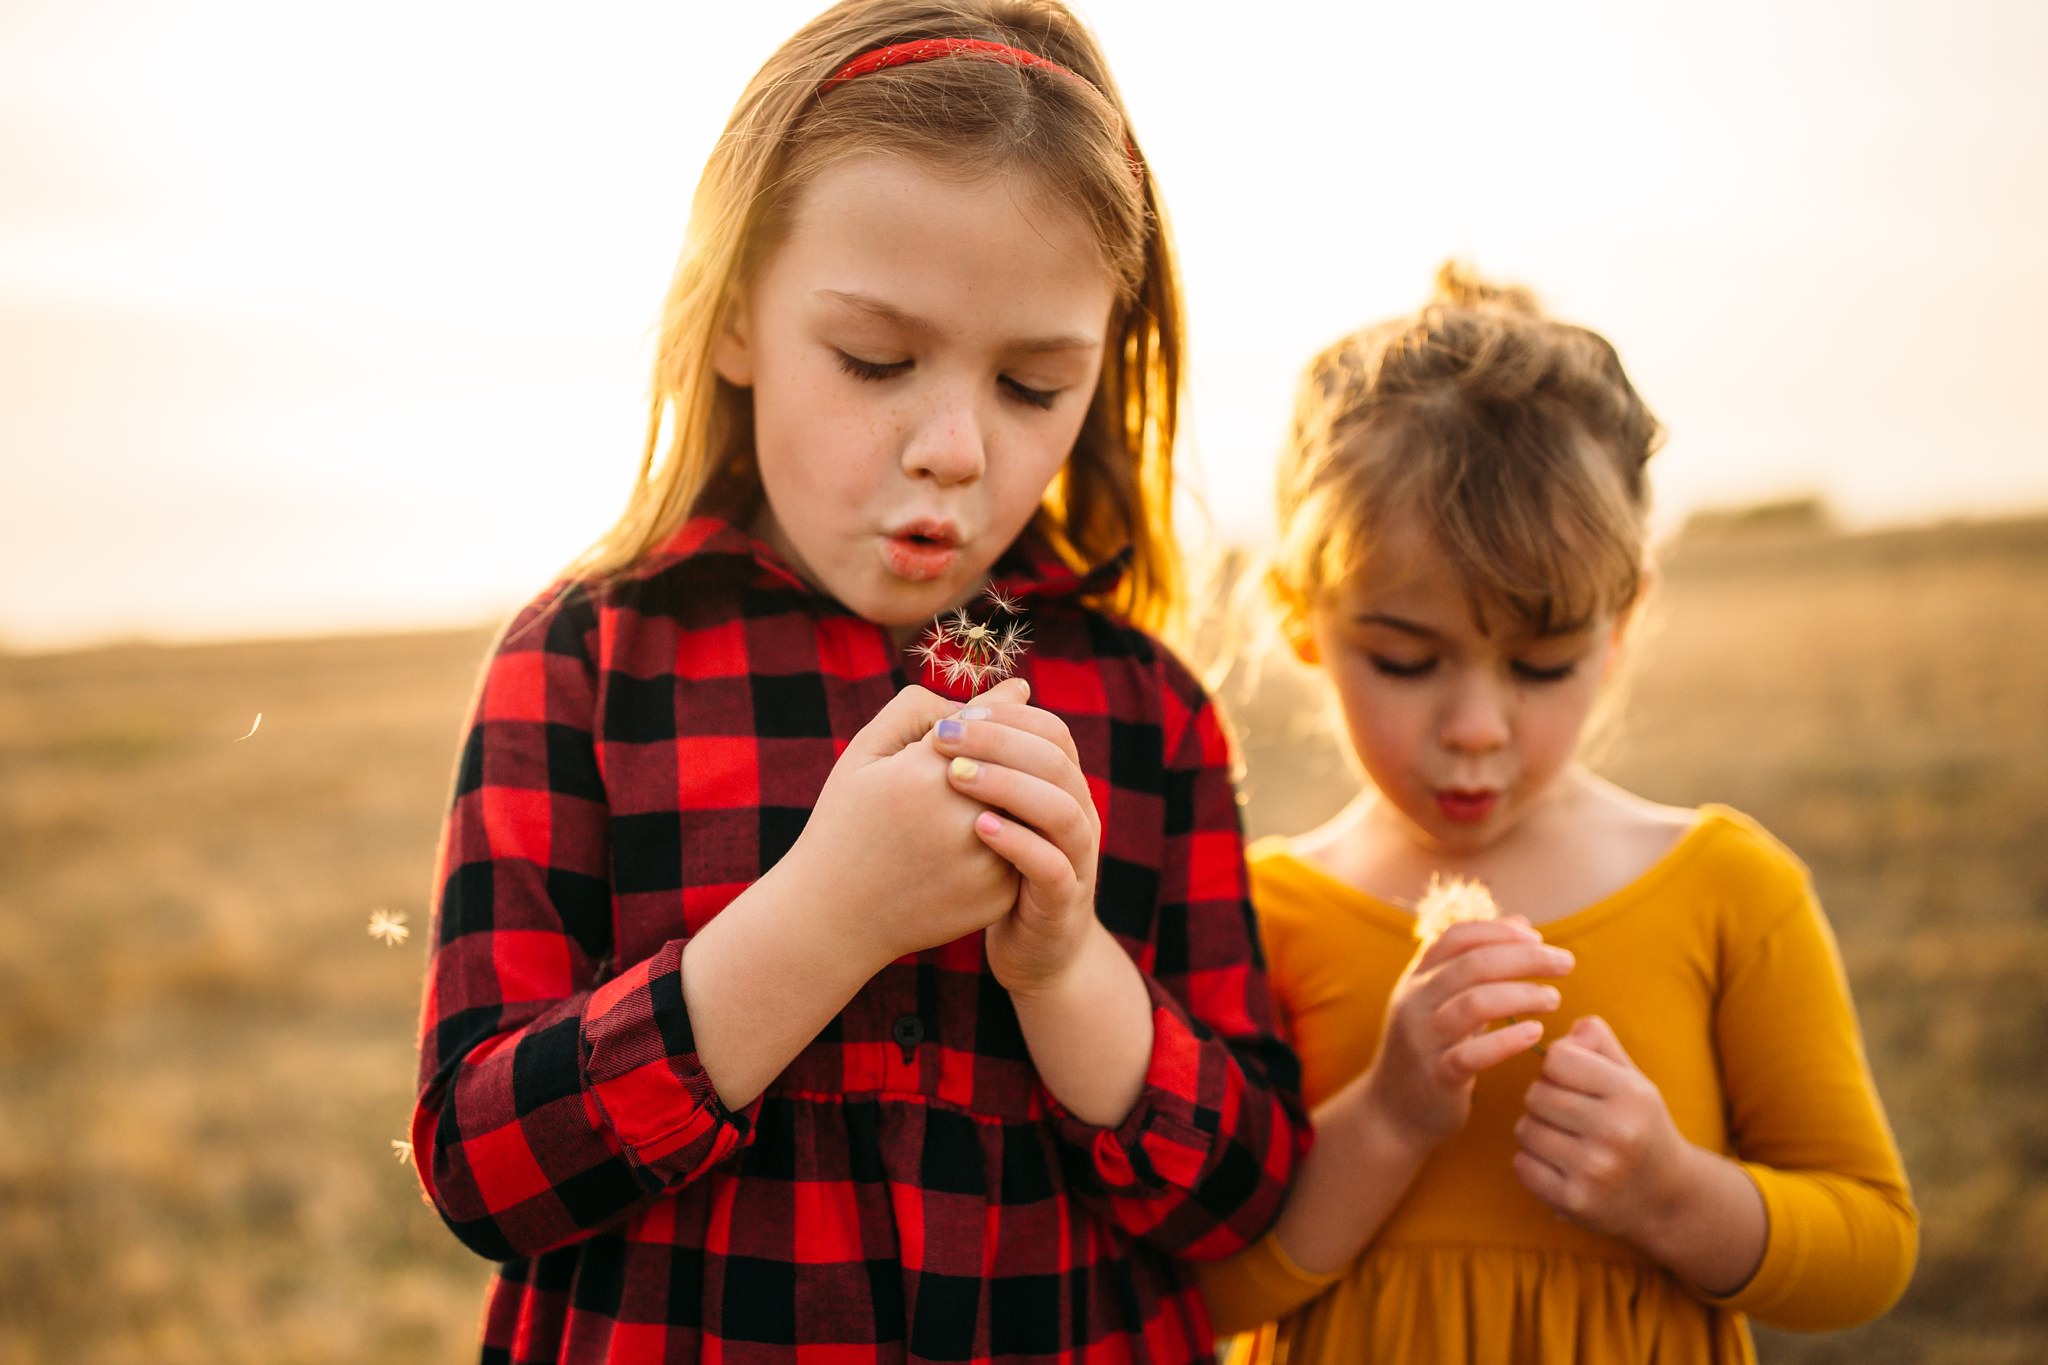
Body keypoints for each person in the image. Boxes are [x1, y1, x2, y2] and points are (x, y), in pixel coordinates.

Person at [409, 3, 1307, 1362]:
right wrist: (823, 921)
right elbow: (485, 1165)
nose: (953, 446)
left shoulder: (1147, 710)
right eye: (877, 360)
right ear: (731, 319)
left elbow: (1241, 1196)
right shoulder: (587, 666)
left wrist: (1067, 968)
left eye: (1032, 384)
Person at [1194, 265, 1917, 1364]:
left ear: (1619, 627)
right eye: (1403, 659)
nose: (1475, 725)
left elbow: (1869, 1244)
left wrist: (1674, 1196)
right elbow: (1204, 1293)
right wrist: (1385, 1119)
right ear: (1300, 618)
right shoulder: (1255, 909)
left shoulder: (1726, 889)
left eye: (1539, 667)